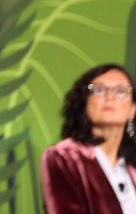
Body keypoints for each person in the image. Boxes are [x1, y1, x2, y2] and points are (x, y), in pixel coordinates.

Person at [42, 63, 136, 214]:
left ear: (133, 109)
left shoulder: (131, 165)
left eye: (120, 91)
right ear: (85, 102)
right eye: (99, 89)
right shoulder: (63, 157)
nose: (110, 97)